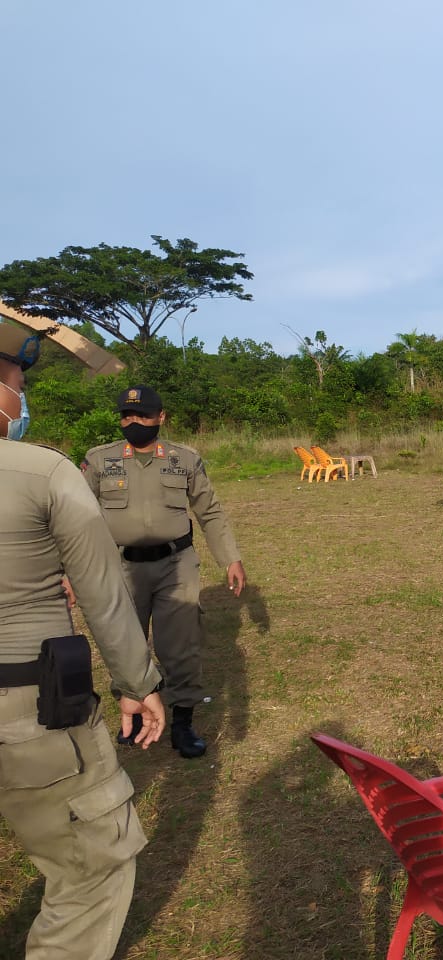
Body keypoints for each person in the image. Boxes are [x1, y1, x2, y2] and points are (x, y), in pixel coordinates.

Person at [0, 319, 167, 960]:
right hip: (33, 709)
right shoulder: (43, 472)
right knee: (91, 866)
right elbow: (102, 594)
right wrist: (138, 684)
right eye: (20, 379)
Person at [80, 385, 246, 758]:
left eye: (141, 415)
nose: (133, 422)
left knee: (181, 645)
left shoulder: (184, 459)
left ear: (161, 417)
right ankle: (135, 710)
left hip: (176, 564)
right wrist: (67, 569)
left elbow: (209, 510)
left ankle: (183, 722)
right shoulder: (99, 460)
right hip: (119, 566)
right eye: (126, 415)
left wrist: (230, 558)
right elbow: (76, 518)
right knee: (124, 640)